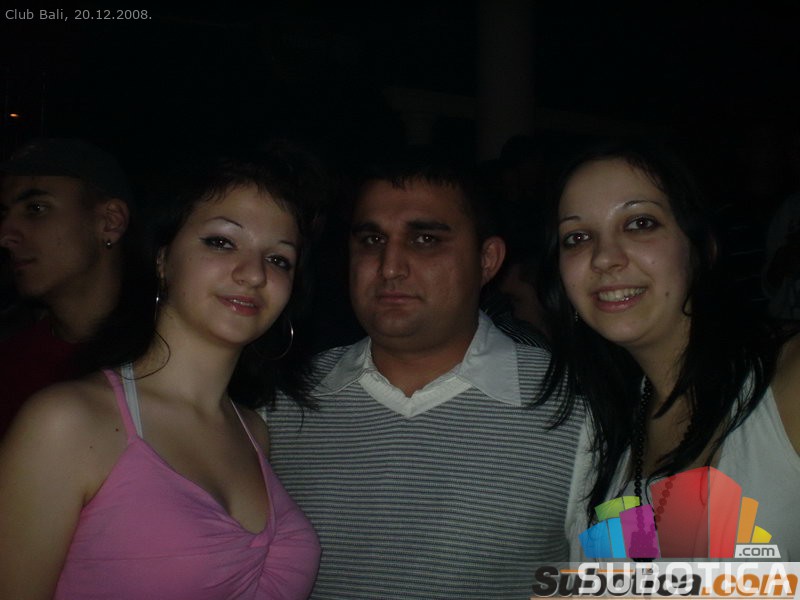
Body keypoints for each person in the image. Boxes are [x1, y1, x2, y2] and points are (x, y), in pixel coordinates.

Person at [0, 151, 322, 599]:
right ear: (163, 258)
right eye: (221, 242)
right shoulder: (65, 422)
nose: (253, 274)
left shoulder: (253, 431)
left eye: (278, 259)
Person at [267, 148, 582, 599]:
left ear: (487, 260)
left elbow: (629, 575)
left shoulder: (579, 405)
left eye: (425, 239)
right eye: (372, 240)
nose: (390, 266)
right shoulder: (281, 401)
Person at [536, 139, 800, 559]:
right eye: (577, 237)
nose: (603, 258)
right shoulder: (596, 427)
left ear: (702, 248)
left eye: (640, 223)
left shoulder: (788, 383)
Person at [0, 138, 136, 437]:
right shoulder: (12, 365)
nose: (5, 236)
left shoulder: (173, 353)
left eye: (35, 208)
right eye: (3, 214)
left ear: (110, 221)